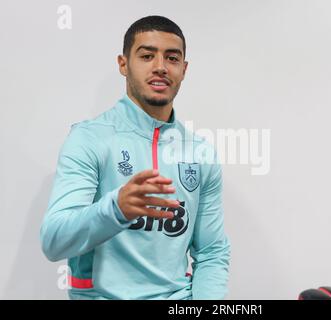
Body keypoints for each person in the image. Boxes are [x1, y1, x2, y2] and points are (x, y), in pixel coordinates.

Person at [40, 15, 231, 300]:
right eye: (146, 56)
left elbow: (212, 252)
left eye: (172, 58)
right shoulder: (89, 139)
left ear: (184, 69)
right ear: (123, 64)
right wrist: (115, 209)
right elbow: (54, 241)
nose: (160, 67)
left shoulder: (199, 151)